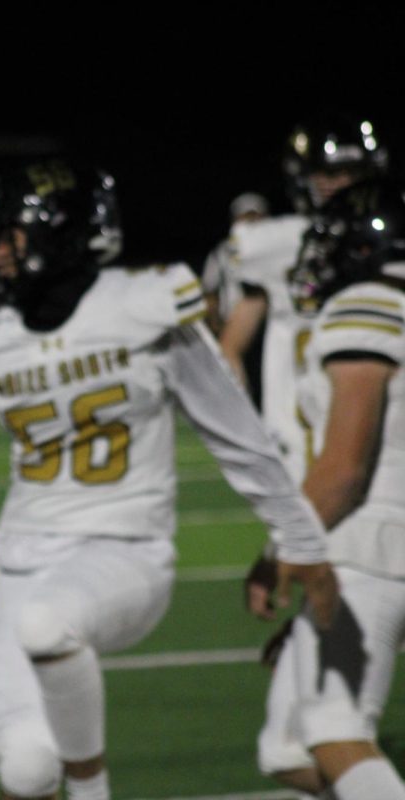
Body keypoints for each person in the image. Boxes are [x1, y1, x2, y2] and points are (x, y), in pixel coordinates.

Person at [0, 159, 338, 800]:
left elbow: (237, 435)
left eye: (12, 237)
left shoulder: (142, 306)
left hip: (124, 551)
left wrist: (302, 538)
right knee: (27, 769)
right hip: (20, 563)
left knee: (47, 626)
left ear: (61, 235)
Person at [250, 179, 405, 799]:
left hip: (371, 542)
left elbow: (343, 469)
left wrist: (279, 556)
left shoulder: (367, 303)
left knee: (334, 728)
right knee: (285, 748)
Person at [219, 115, 388, 480]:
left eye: (352, 173)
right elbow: (231, 346)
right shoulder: (273, 244)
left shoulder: (390, 243)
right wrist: (240, 423)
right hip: (299, 447)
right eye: (327, 176)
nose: (341, 185)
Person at [201, 191, 268, 333]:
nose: (251, 222)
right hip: (232, 324)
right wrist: (214, 323)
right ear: (235, 220)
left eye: (256, 216)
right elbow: (209, 291)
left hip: (270, 325)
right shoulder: (222, 252)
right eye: (246, 217)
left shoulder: (279, 248)